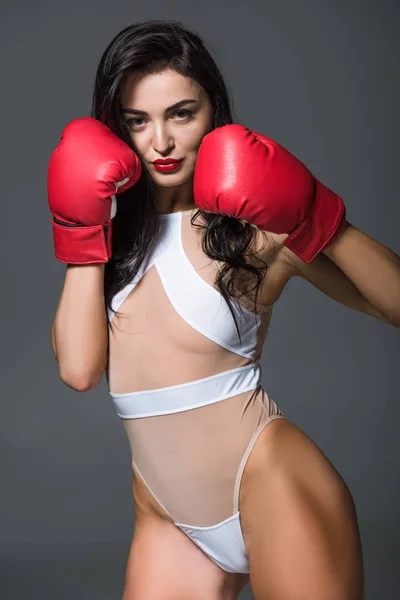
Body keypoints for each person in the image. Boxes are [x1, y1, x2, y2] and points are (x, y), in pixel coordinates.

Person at [49, 19, 400, 600]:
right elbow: (79, 370)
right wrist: (81, 233)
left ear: (215, 111)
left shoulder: (254, 231)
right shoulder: (110, 235)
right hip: (167, 513)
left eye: (182, 114)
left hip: (269, 481)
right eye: (138, 121)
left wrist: (319, 216)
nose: (160, 142)